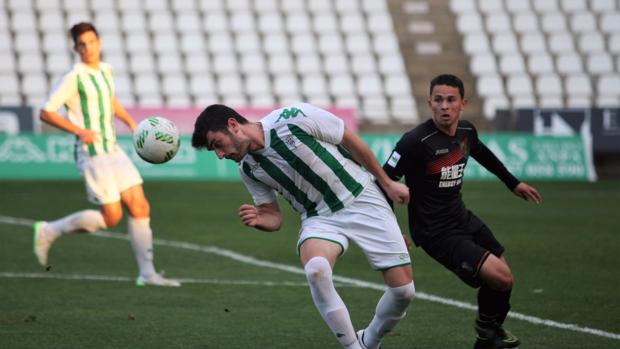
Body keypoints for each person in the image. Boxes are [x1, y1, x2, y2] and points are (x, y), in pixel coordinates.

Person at [192, 103, 415, 349]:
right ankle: (353, 346)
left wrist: (387, 183)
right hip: (319, 218)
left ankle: (369, 340)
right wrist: (259, 220)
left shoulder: (292, 118)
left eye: (217, 144)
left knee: (403, 292)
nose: (220, 155)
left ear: (233, 125)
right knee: (316, 271)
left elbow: (350, 140)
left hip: (362, 197)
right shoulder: (248, 169)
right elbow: (273, 217)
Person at [382, 74, 541, 349]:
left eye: (450, 100)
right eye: (439, 100)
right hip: (435, 231)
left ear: (462, 103)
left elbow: (482, 153)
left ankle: (487, 335)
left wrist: (512, 183)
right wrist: (392, 231)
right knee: (500, 278)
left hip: (461, 217)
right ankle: (487, 329)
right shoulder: (415, 142)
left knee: (504, 277)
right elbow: (382, 182)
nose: (444, 106)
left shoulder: (467, 132)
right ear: (429, 103)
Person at [33, 22, 180, 287]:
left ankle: (148, 274)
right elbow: (46, 112)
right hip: (92, 153)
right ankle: (49, 230)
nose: (87, 48)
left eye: (91, 41)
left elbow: (109, 99)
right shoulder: (73, 76)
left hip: (113, 148)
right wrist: (79, 131)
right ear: (76, 48)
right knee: (111, 217)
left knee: (140, 205)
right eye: (82, 44)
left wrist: (129, 121)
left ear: (99, 42)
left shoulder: (105, 70)